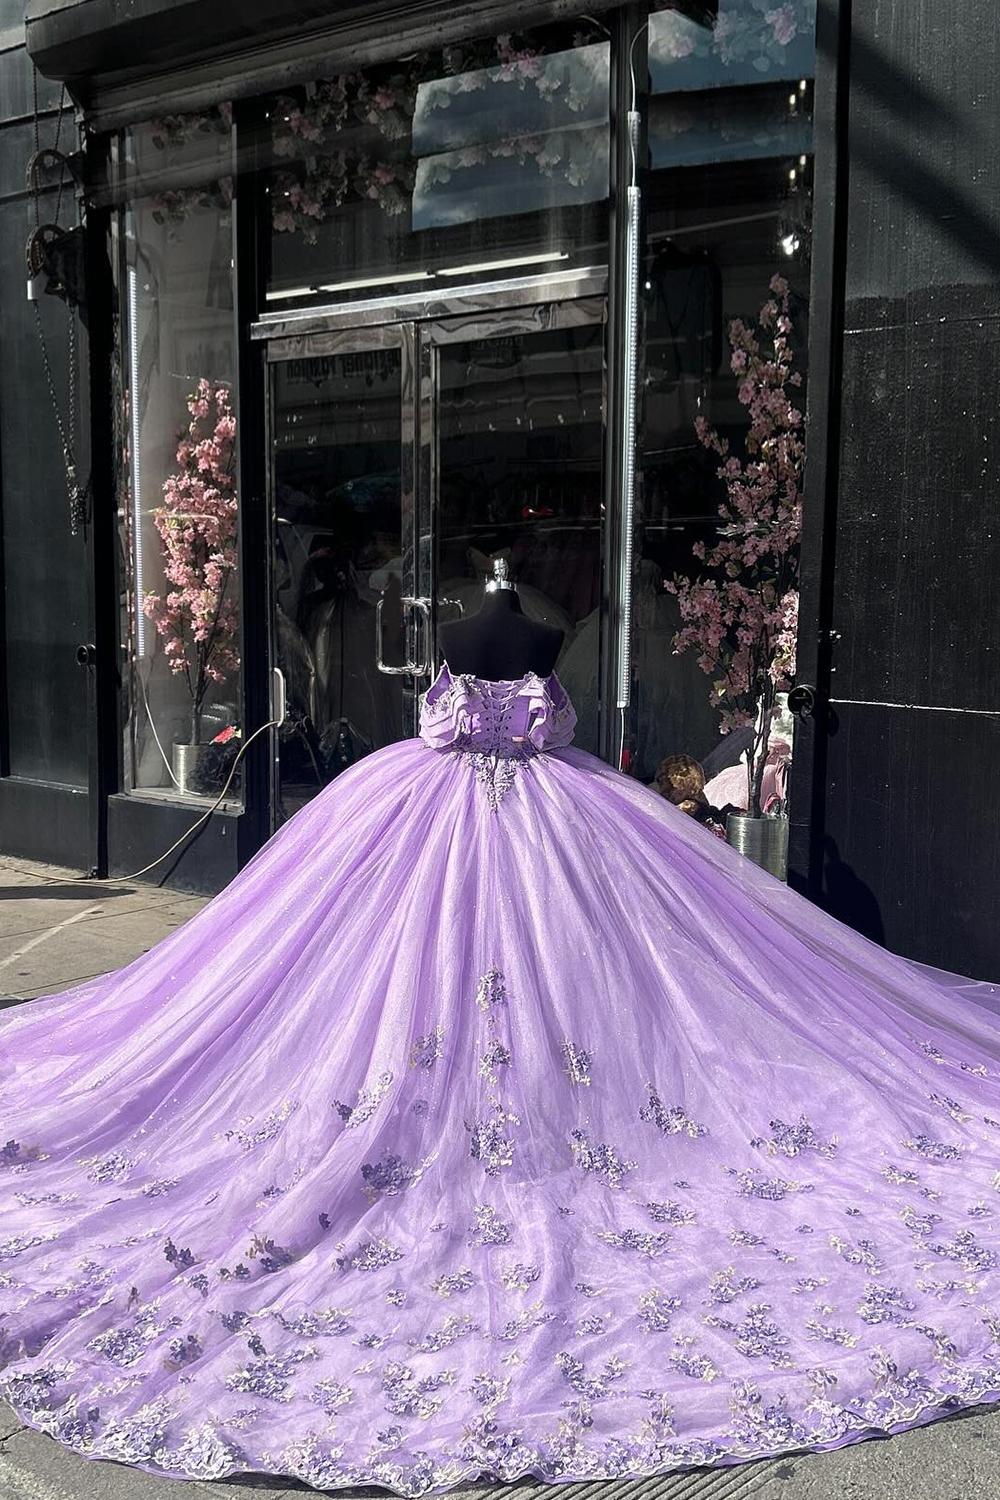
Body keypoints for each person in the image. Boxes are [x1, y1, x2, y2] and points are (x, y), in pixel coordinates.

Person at [2, 565, 1000, 1495]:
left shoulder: (526, 637)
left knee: (599, 983)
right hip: (442, 816)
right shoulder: (498, 651)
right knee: (375, 976)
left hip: (551, 825)